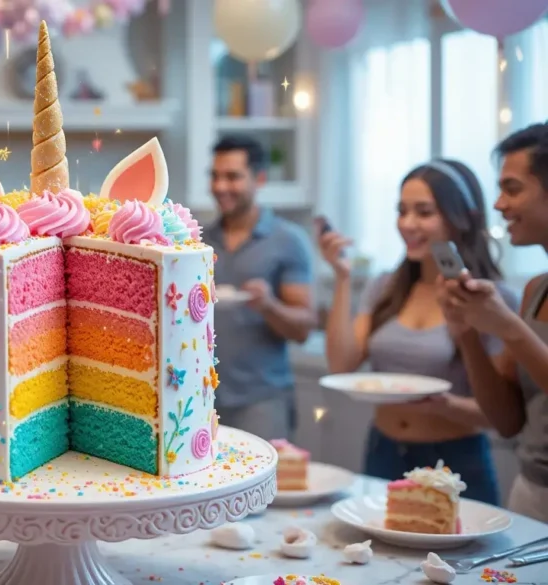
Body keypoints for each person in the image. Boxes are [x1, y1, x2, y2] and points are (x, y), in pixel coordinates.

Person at [320, 159, 516, 505]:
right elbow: (341, 366)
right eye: (402, 210)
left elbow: (501, 417)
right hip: (382, 451)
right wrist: (342, 278)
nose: (408, 224)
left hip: (454, 461)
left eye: (424, 212)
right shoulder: (385, 287)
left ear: (463, 217)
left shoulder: (494, 299)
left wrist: (444, 404)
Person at [436, 122, 548, 520]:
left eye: (513, 189)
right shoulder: (536, 291)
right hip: (531, 492)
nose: (499, 204)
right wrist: (465, 331)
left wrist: (508, 329)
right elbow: (506, 420)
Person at [203, 135, 316, 441]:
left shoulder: (287, 240)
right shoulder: (198, 240)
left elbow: (304, 328)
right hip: (202, 398)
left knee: (264, 489)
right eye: (215, 176)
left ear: (260, 178)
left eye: (233, 177)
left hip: (262, 401)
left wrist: (268, 305)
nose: (220, 186)